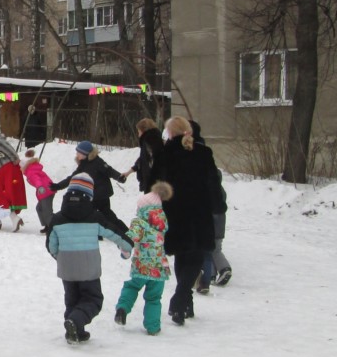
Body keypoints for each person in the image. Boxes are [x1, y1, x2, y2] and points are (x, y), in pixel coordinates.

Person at [46, 173, 133, 344]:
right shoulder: (95, 217)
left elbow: (51, 245)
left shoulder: (57, 219)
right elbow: (114, 233)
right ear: (90, 195)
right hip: (89, 268)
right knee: (93, 300)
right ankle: (76, 322)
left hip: (67, 268)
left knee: (72, 300)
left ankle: (75, 330)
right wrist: (126, 247)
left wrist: (60, 257)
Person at [152, 116, 223, 326]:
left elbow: (153, 183)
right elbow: (213, 183)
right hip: (200, 212)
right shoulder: (203, 153)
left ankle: (184, 303)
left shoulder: (165, 154)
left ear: (171, 133)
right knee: (196, 257)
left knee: (183, 256)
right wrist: (218, 207)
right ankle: (180, 300)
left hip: (175, 212)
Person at [115, 181, 173, 335]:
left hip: (142, 265)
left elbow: (129, 240)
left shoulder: (139, 222)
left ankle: (122, 308)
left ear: (143, 209)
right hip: (159, 268)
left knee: (132, 287)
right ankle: (153, 327)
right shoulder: (162, 222)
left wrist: (125, 252)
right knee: (154, 298)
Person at [50, 140, 129, 238]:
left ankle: (126, 232)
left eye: (78, 153)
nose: (76, 154)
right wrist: (58, 186)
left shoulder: (98, 162)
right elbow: (72, 178)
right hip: (92, 195)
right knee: (93, 215)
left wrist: (119, 177)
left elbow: (110, 171)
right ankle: (98, 233)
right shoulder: (83, 164)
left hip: (102, 194)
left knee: (107, 215)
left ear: (85, 154)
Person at [189, 121, 231, 294]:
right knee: (214, 247)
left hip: (207, 215)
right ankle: (216, 272)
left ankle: (211, 275)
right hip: (219, 215)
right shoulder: (216, 182)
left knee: (208, 248)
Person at [123, 117, 164, 193]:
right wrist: (129, 172)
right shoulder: (153, 140)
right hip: (153, 183)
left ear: (144, 130)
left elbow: (151, 162)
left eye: (139, 132)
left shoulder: (149, 141)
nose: (138, 135)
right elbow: (142, 160)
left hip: (153, 185)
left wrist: (149, 184)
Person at [21, 148, 56, 231]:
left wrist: (40, 187)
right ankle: (47, 225)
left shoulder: (31, 172)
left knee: (47, 210)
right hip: (46, 191)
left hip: (45, 191)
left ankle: (52, 227)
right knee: (39, 208)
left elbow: (37, 179)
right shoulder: (33, 168)